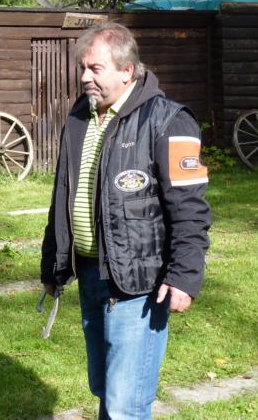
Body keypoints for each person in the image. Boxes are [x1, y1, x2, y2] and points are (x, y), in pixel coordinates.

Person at [40, 22, 211, 420]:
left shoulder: (169, 120)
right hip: (90, 275)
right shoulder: (80, 117)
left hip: (139, 284)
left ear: (126, 71)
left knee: (125, 405)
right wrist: (53, 264)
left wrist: (184, 275)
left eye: (95, 68)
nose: (85, 77)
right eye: (83, 68)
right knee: (105, 389)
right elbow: (62, 196)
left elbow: (190, 207)